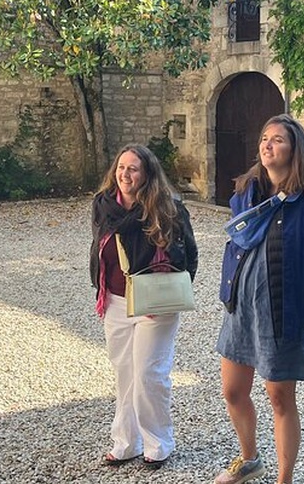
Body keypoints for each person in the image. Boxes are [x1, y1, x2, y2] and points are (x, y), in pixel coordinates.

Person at [214, 114, 304, 484]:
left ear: (295, 148)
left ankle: (283, 479)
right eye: (264, 138)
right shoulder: (246, 193)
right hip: (240, 309)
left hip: (283, 314)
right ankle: (250, 459)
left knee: (280, 400)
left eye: (278, 140)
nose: (268, 145)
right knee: (233, 391)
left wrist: (302, 297)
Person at [90, 143, 198, 470]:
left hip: (155, 304)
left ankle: (159, 441)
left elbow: (188, 256)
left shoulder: (167, 208)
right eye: (121, 167)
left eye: (133, 168)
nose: (125, 174)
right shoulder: (104, 206)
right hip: (115, 301)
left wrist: (165, 285)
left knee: (149, 374)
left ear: (147, 174)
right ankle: (126, 441)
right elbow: (100, 249)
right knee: (125, 374)